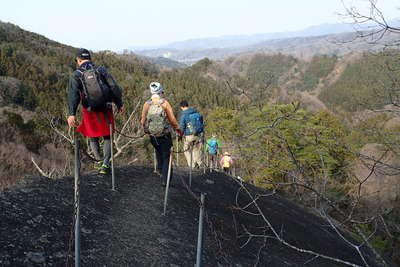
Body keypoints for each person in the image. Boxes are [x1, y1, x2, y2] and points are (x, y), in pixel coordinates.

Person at [67, 48, 123, 175]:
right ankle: (106, 164)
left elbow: (73, 95)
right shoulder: (101, 70)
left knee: (92, 135)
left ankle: (98, 161)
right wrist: (119, 103)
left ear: (78, 60)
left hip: (89, 109)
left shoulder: (76, 75)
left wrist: (72, 114)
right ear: (90, 58)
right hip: (106, 107)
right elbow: (114, 87)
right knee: (107, 135)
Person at [141, 82, 183, 185]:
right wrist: (179, 130)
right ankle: (166, 179)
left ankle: (161, 172)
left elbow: (142, 120)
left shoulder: (147, 104)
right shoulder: (165, 103)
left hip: (153, 136)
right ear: (161, 91)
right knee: (166, 157)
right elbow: (172, 120)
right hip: (164, 135)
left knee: (158, 153)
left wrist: (145, 129)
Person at [179, 100, 204, 168]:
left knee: (186, 149)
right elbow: (201, 123)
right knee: (195, 149)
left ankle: (192, 165)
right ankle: (199, 163)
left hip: (189, 136)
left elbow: (182, 127)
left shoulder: (184, 115)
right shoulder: (196, 112)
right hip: (198, 135)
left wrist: (180, 136)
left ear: (182, 107)